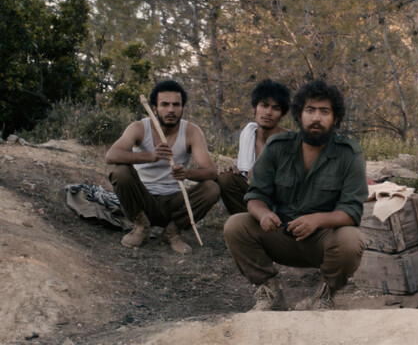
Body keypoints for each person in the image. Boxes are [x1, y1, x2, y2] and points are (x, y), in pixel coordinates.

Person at [223, 80, 367, 311]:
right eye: (310, 110)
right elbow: (256, 194)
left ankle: (324, 295)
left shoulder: (349, 153)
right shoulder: (278, 146)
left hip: (324, 241)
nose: (316, 118)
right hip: (280, 234)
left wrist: (317, 220)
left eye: (324, 112)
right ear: (299, 116)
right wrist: (263, 214)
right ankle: (270, 295)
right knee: (235, 225)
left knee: (352, 239)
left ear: (335, 119)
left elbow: (352, 210)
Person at [105, 80, 219, 254]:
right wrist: (150, 156)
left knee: (212, 188)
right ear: (154, 108)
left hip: (174, 201)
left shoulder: (191, 131)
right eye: (165, 104)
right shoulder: (139, 128)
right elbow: (111, 155)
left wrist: (187, 173)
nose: (171, 110)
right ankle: (141, 226)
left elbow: (211, 172)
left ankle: (173, 231)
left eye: (176, 105)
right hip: (144, 199)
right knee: (120, 171)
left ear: (182, 107)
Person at [217, 80, 291, 214]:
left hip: (279, 201)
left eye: (276, 108)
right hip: (254, 195)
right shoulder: (249, 133)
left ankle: (271, 224)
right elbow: (246, 172)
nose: (268, 112)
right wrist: (235, 169)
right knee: (225, 178)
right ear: (254, 108)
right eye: (264, 105)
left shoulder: (288, 141)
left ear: (282, 114)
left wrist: (263, 172)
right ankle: (248, 223)